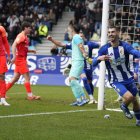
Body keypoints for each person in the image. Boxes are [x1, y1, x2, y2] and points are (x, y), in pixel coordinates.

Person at [92, 25, 140, 126]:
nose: (110, 34)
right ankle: (123, 106)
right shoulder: (104, 49)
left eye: (113, 32)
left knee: (135, 100)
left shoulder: (124, 46)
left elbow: (134, 52)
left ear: (118, 33)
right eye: (109, 32)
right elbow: (93, 63)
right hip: (115, 80)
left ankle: (139, 120)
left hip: (128, 78)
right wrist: (99, 59)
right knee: (130, 97)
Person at [47, 31, 99, 104]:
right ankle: (86, 98)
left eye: (82, 36)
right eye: (79, 36)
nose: (80, 37)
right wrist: (52, 40)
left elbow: (100, 46)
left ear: (84, 38)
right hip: (80, 65)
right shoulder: (73, 44)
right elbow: (61, 44)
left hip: (88, 66)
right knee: (83, 79)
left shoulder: (89, 44)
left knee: (89, 82)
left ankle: (91, 98)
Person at [6, 21, 40, 101]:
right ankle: (30, 96)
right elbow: (14, 45)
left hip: (21, 59)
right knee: (27, 77)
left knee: (15, 78)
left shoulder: (25, 37)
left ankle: (2, 93)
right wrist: (14, 56)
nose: (30, 30)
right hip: (20, 60)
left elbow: (22, 49)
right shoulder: (21, 36)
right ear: (25, 28)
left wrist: (31, 51)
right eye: (29, 28)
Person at [59, 20, 89, 106]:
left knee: (72, 79)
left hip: (78, 62)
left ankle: (84, 98)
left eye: (69, 29)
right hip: (76, 62)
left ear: (72, 29)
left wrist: (83, 52)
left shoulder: (76, 37)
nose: (68, 30)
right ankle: (79, 99)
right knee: (71, 80)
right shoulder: (75, 38)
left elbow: (80, 46)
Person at [0, 25, 11, 106]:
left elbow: (6, 42)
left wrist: (8, 55)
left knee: (2, 76)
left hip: (1, 56)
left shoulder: (1, 29)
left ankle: (3, 99)